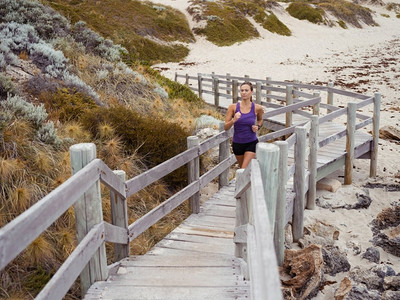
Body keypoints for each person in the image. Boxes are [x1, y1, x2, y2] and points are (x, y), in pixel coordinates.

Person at [224, 81, 264, 169]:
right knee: (243, 171)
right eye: (242, 90)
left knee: (243, 170)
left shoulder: (257, 108)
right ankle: (249, 183)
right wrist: (233, 120)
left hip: (251, 142)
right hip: (237, 144)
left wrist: (258, 126)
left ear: (251, 92)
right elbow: (226, 127)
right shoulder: (233, 107)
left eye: (246, 90)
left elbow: (260, 120)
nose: (244, 93)